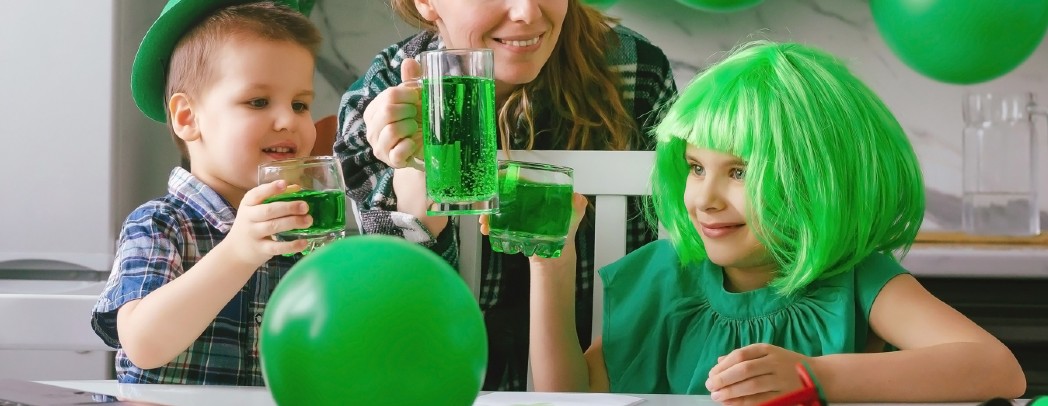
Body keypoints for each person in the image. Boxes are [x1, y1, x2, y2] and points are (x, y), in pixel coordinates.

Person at [521, 41, 1027, 402]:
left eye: (740, 172)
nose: (705, 198)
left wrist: (816, 377)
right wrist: (552, 267)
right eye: (697, 168)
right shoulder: (662, 275)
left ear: (817, 182)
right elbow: (570, 397)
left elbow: (998, 369)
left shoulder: (855, 278)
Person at [334, 0, 678, 390]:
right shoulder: (385, 92)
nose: (527, 13)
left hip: (607, 385)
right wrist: (414, 176)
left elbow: (676, 261)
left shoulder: (636, 69)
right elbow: (394, 307)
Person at [90, 0, 321, 385]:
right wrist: (237, 252)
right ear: (188, 118)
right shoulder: (160, 224)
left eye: (300, 104)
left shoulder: (298, 234)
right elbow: (143, 345)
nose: (287, 121)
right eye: (258, 102)